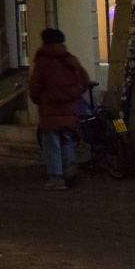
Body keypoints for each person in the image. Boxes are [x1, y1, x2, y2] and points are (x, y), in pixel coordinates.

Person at [28, 27, 91, 190]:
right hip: (69, 108)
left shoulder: (42, 61)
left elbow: (35, 86)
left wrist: (39, 99)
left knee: (51, 143)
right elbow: (84, 79)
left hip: (49, 109)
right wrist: (74, 96)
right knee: (67, 140)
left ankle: (56, 177)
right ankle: (70, 167)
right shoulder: (70, 59)